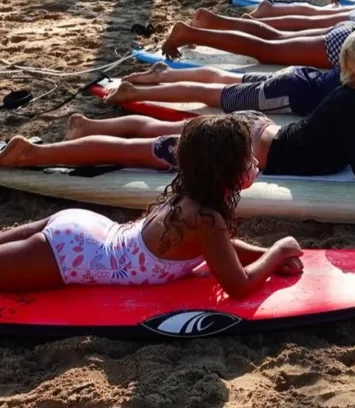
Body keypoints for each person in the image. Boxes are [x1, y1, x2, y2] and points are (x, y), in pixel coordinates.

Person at [1, 30, 355, 182]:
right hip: (238, 149)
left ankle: (81, 130)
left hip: (255, 132)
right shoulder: (348, 104)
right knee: (141, 152)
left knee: (166, 135)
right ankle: (33, 153)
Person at [0, 114, 303, 296]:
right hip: (73, 255)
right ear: (224, 170)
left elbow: (221, 248)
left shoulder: (190, 197)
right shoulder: (206, 220)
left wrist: (265, 256)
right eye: (246, 159)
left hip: (84, 230)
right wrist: (280, 250)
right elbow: (238, 286)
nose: (254, 162)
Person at [160, 0, 355, 70]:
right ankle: (190, 34)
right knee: (266, 50)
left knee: (272, 38)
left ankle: (211, 19)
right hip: (339, 44)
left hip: (347, 32)